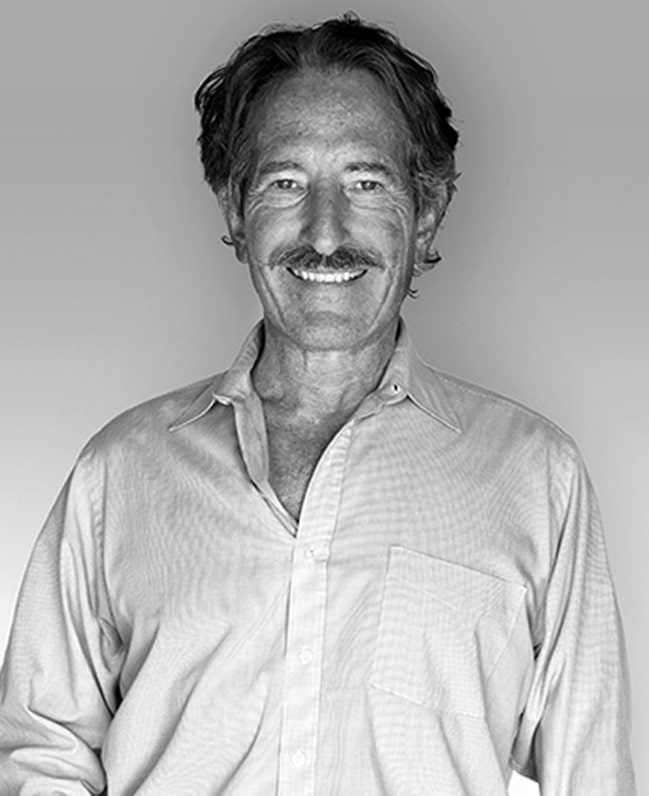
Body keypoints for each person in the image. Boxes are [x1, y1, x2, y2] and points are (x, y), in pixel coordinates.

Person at [0, 12, 636, 795]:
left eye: (365, 183)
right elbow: (41, 751)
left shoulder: (537, 476)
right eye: (285, 183)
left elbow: (593, 775)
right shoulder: (120, 473)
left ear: (427, 209)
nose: (325, 233)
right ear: (235, 210)